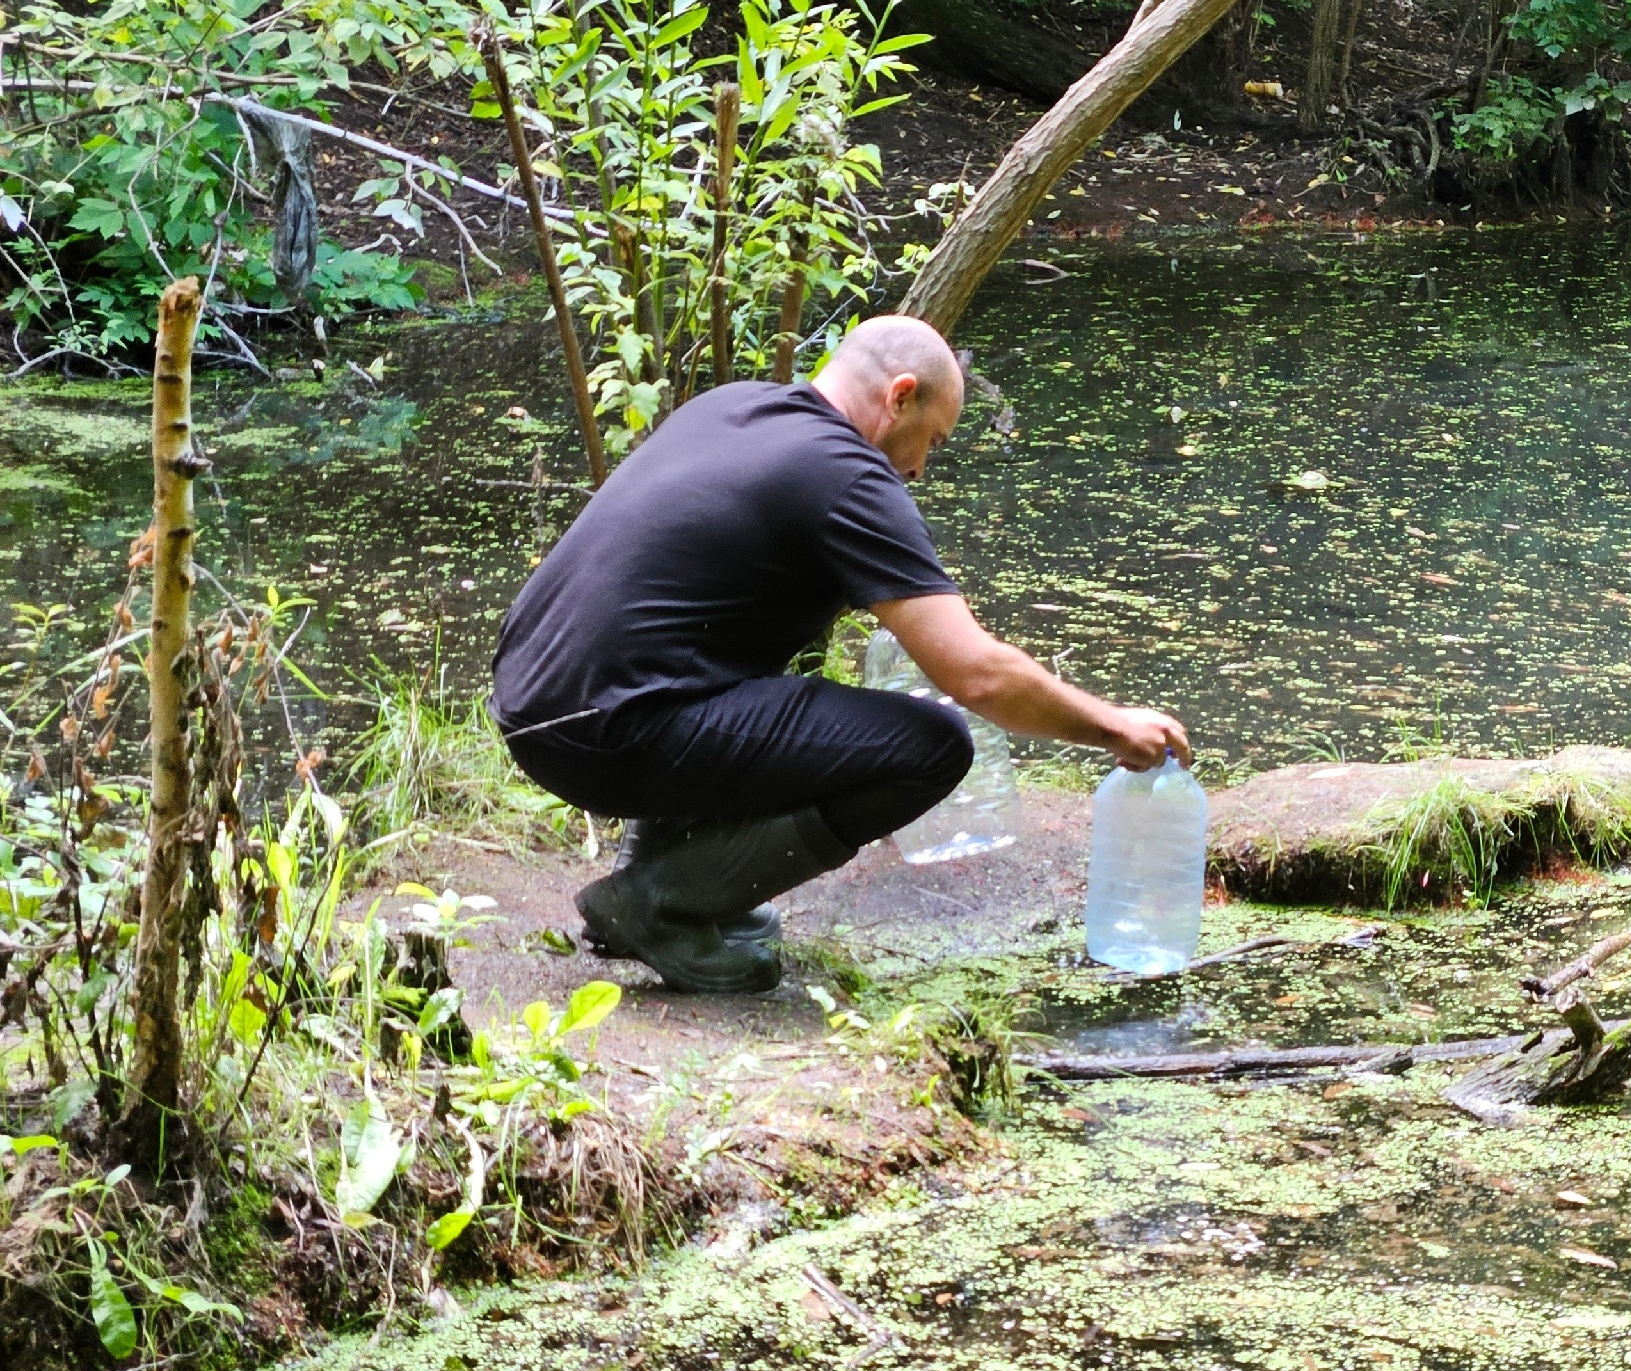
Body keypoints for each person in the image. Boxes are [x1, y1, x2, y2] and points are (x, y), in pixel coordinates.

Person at [492, 315, 1190, 994]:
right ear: (900, 396)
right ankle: (663, 905)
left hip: (534, 706)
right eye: (933, 442)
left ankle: (657, 872)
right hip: (610, 733)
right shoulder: (845, 474)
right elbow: (973, 675)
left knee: (735, 647)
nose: (919, 468)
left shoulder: (736, 406)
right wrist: (1110, 725)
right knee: (932, 747)